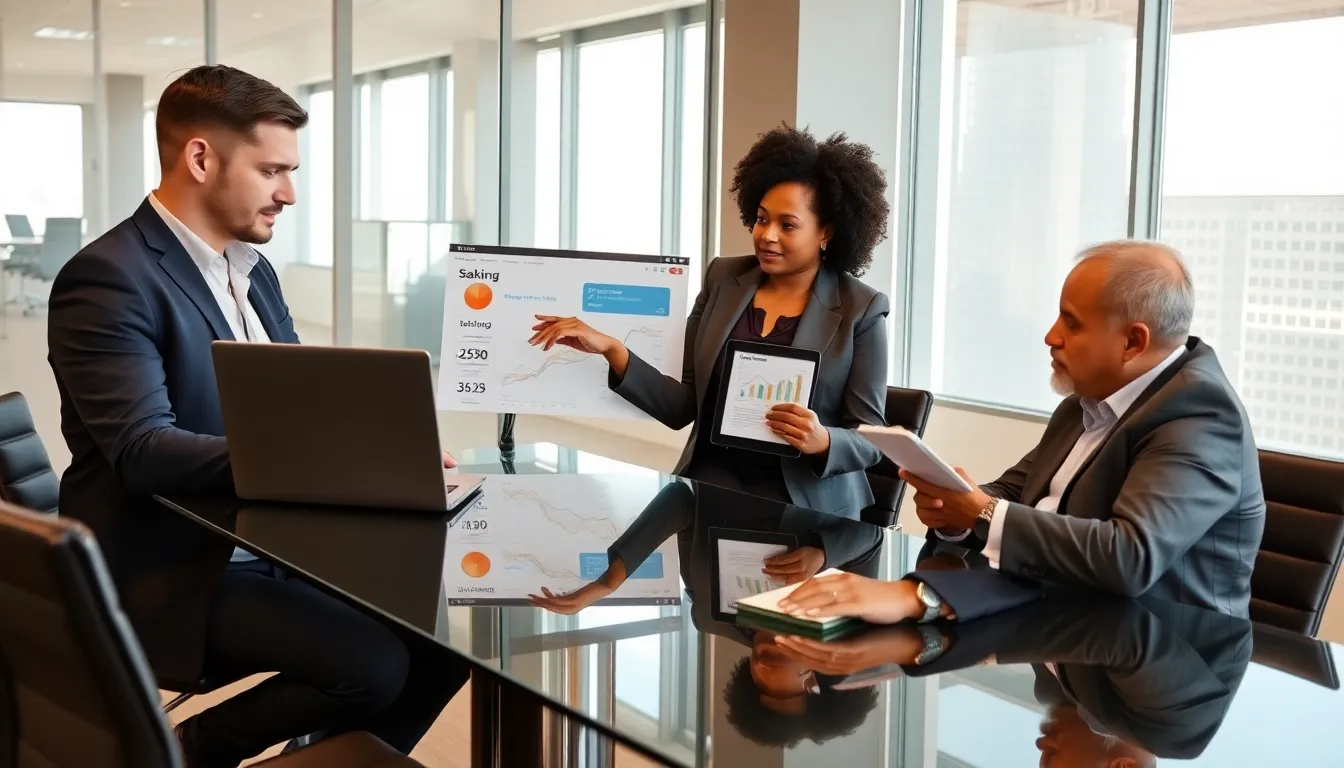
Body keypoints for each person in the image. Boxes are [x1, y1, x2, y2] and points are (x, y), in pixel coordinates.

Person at [47, 65, 463, 767]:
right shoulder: (111, 276)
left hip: (268, 544)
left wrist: (380, 451)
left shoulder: (252, 269)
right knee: (373, 665)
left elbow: (295, 406)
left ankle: (323, 757)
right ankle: (188, 751)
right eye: (272, 170)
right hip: (172, 566)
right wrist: (325, 464)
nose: (289, 193)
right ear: (201, 158)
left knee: (442, 646)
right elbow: (143, 450)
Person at [777, 240, 1266, 625]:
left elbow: (1129, 557)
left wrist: (982, 511)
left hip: (1156, 662)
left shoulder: (1200, 416)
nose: (1051, 336)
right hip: (1057, 625)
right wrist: (958, 510)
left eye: (1071, 323)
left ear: (1133, 342)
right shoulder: (1089, 399)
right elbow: (1017, 493)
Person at [527, 125, 891, 516]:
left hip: (803, 506)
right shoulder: (723, 280)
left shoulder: (861, 309)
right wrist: (613, 349)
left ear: (826, 233)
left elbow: (871, 440)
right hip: (708, 486)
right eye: (761, 219)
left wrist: (823, 440)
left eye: (787, 225)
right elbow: (682, 406)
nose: (766, 235)